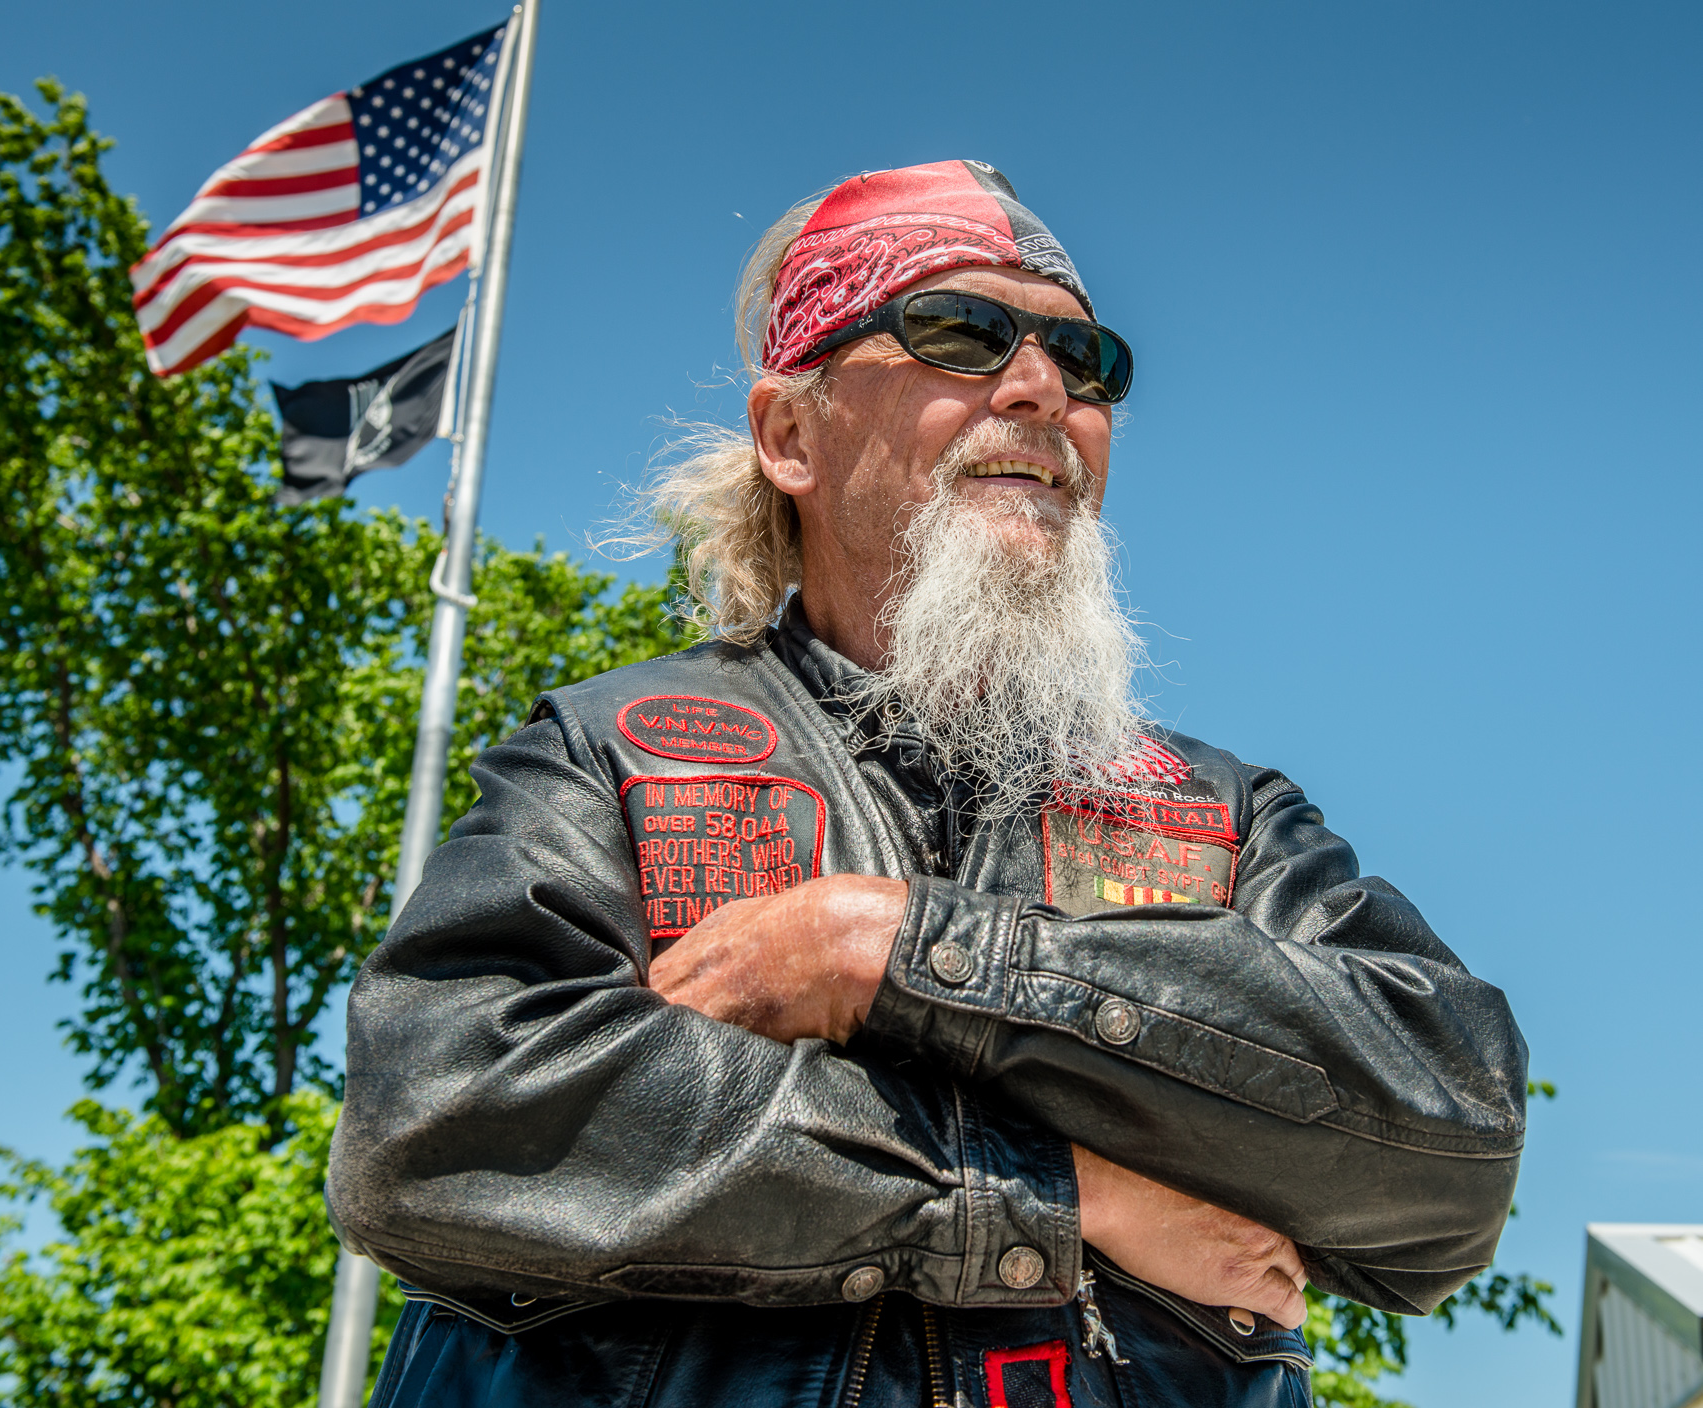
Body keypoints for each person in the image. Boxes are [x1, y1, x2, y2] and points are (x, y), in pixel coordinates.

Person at [328, 160, 1528, 1408]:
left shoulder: (1226, 818)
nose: (1040, 388)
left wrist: (897, 952)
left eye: (1085, 358)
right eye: (958, 333)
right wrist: (1063, 1197)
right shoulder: (611, 752)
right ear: (790, 434)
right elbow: (439, 1118)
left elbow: (1451, 1135)